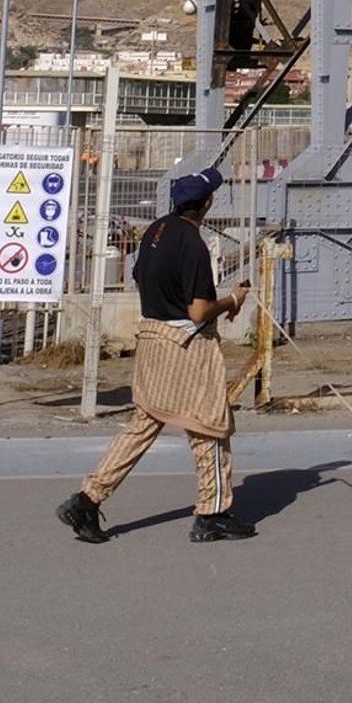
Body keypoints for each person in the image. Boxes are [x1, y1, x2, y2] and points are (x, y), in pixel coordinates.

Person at [55, 166, 253, 545]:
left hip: (152, 338)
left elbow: (142, 278)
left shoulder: (155, 232)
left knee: (143, 423)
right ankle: (212, 513)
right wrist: (232, 300)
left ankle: (88, 497)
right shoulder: (193, 244)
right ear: (207, 203)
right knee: (209, 429)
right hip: (186, 345)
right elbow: (197, 311)